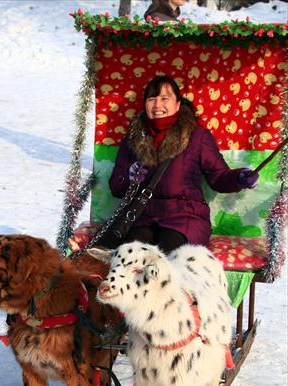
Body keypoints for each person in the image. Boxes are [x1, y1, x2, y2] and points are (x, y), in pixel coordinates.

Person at [106, 75, 258, 254]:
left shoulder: (197, 136)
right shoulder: (133, 138)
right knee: (133, 256)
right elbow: (116, 187)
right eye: (151, 99)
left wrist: (239, 178)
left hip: (185, 216)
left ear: (178, 104)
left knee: (169, 255)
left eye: (164, 99)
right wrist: (130, 176)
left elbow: (218, 177)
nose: (157, 105)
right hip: (142, 215)